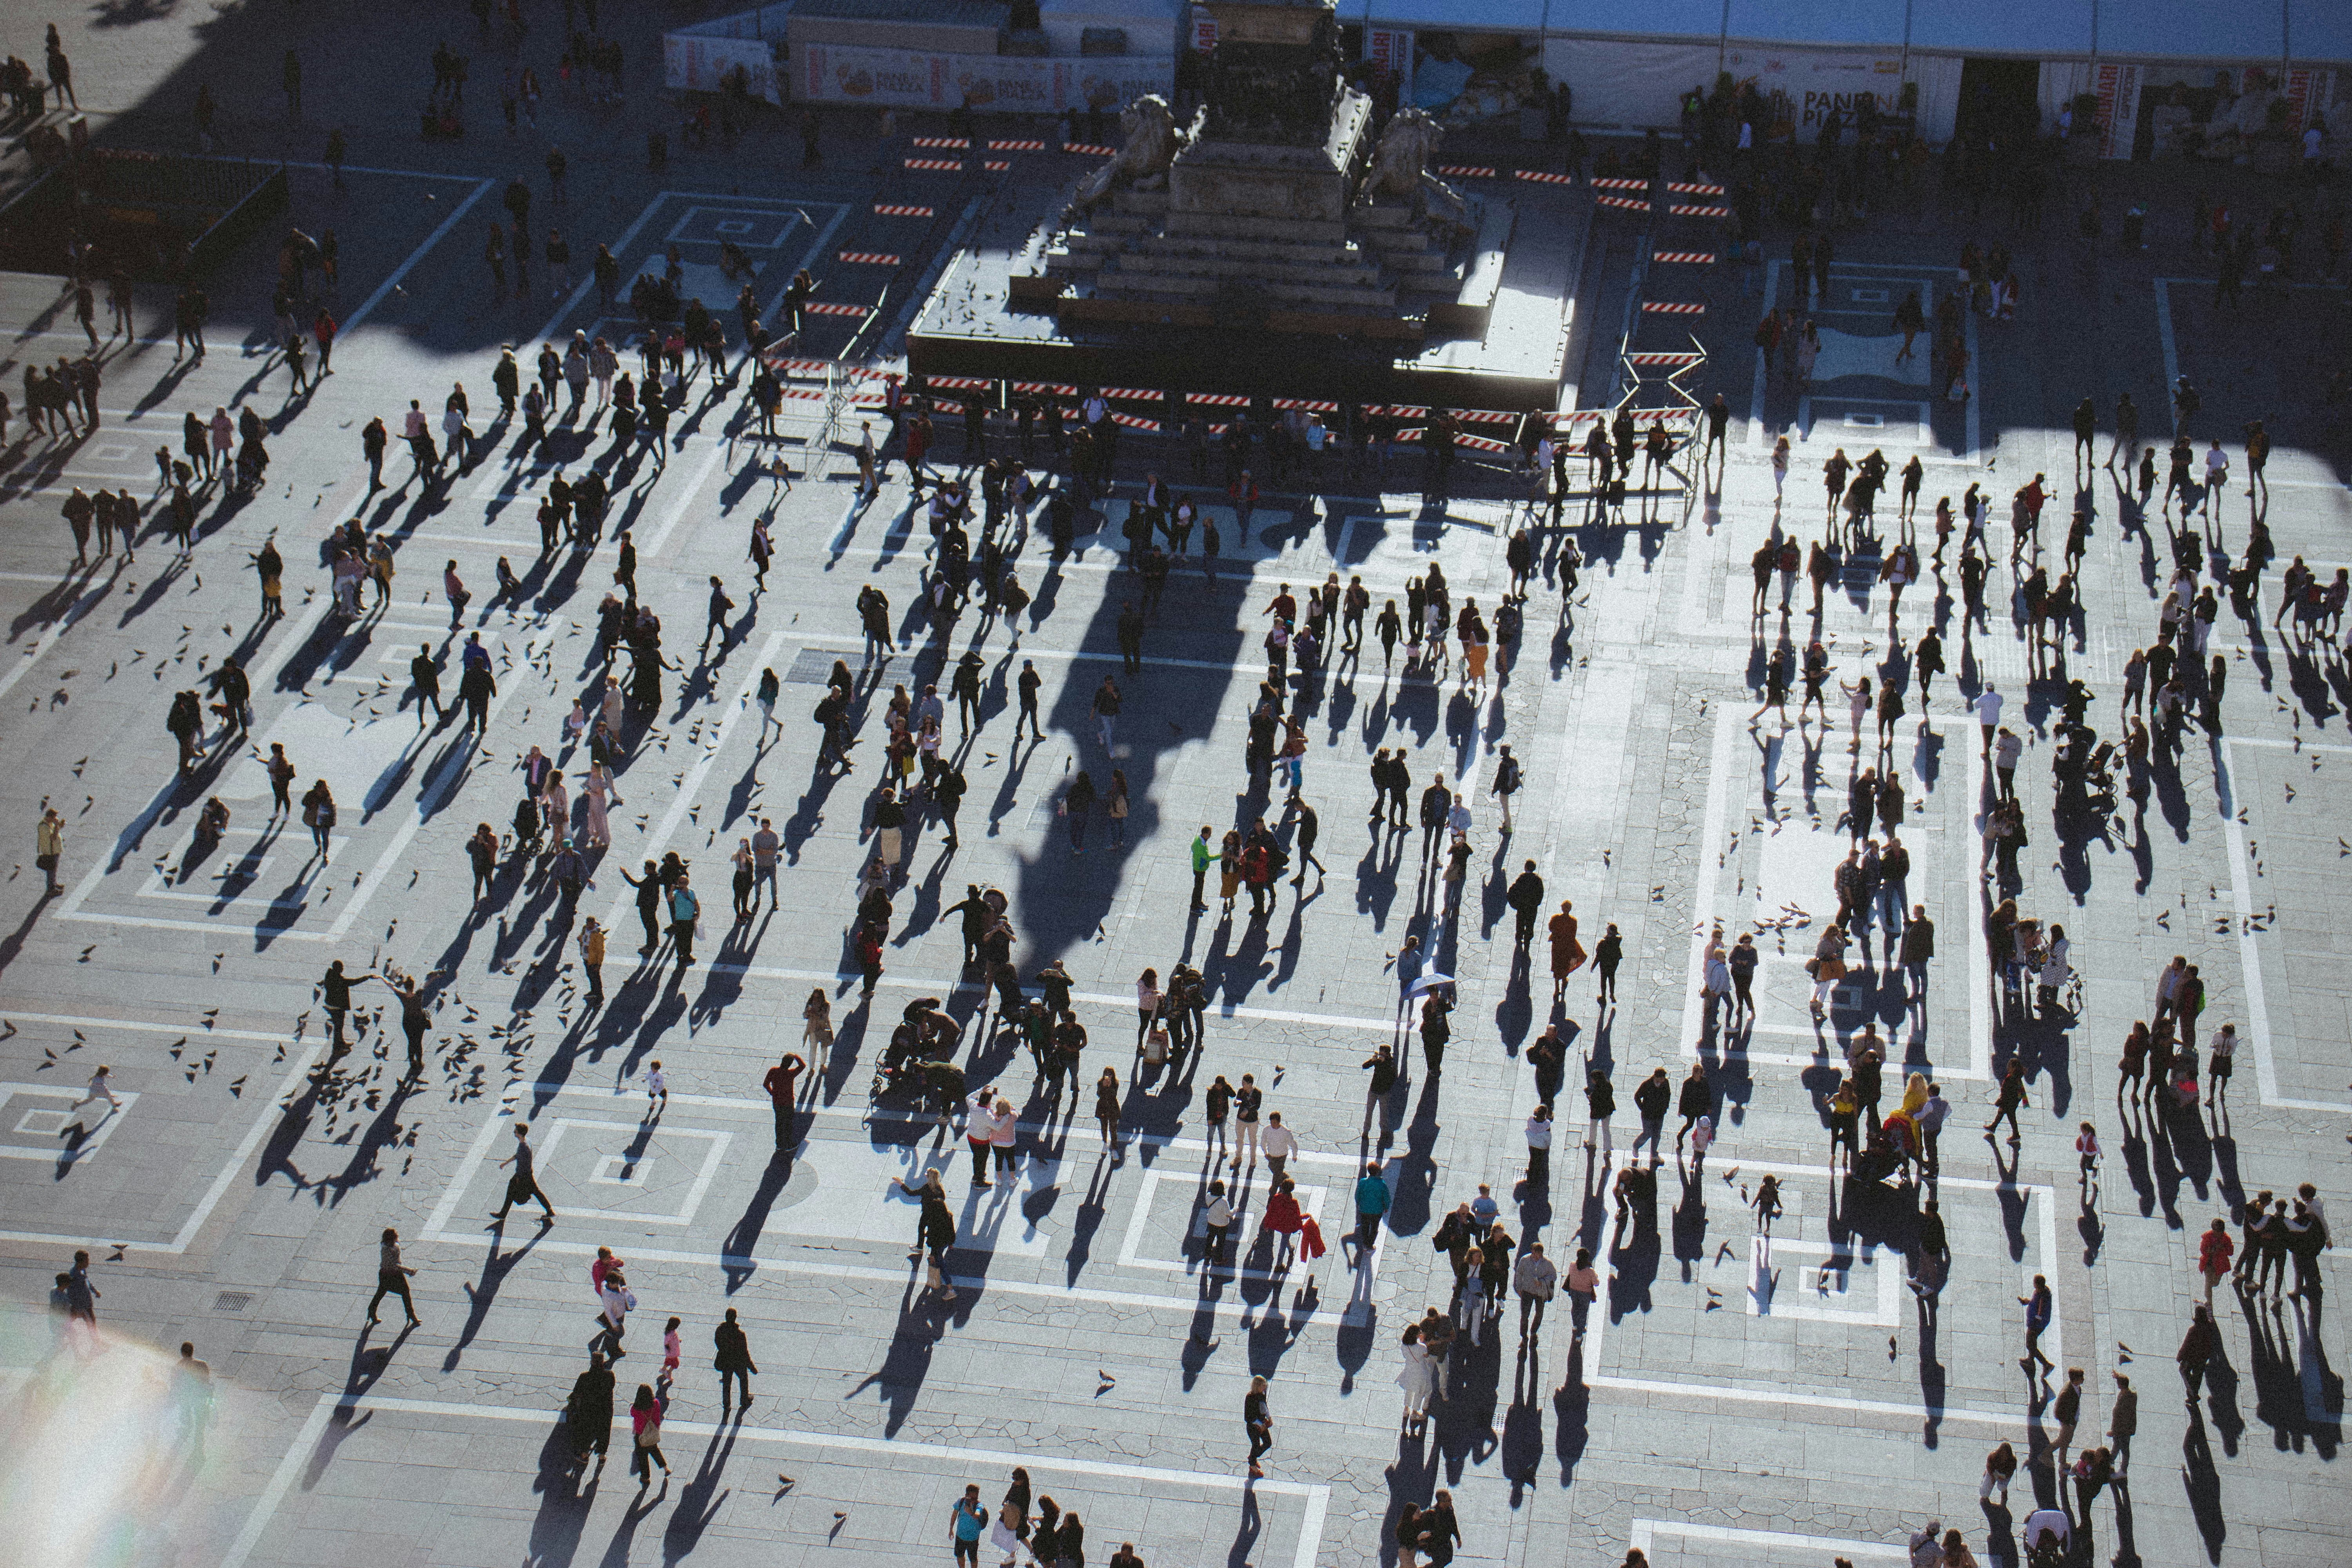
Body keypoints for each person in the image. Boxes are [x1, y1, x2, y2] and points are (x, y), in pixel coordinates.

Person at [494, 1122, 556, 1222]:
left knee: (514, 1190)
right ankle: (549, 1211)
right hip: (527, 1173)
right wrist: (506, 1163)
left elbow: (522, 1164)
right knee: (536, 1192)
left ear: (518, 1133)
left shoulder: (523, 1147)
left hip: (523, 1175)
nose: (514, 1132)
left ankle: (503, 1214)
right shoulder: (527, 1141)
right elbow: (518, 1156)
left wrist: (518, 1178)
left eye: (515, 1131)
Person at [367, 1227, 421, 1325]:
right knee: (403, 1293)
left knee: (382, 1292)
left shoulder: (395, 1246)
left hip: (392, 1274)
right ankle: (411, 1315)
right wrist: (410, 1271)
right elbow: (394, 1265)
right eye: (396, 1235)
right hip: (390, 1275)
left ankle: (371, 1311)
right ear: (392, 1238)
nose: (398, 1236)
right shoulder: (386, 1250)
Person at [1243, 1375, 1272, 1477]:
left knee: (1268, 1443)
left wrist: (1269, 1417)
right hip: (1253, 1427)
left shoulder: (1262, 1394)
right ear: (1257, 1386)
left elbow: (1264, 1407)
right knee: (1255, 1445)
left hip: (1262, 1424)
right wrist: (1261, 1425)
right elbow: (1248, 1418)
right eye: (1263, 1386)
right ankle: (1252, 1465)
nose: (1264, 1388)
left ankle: (1253, 1457)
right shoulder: (1250, 1398)